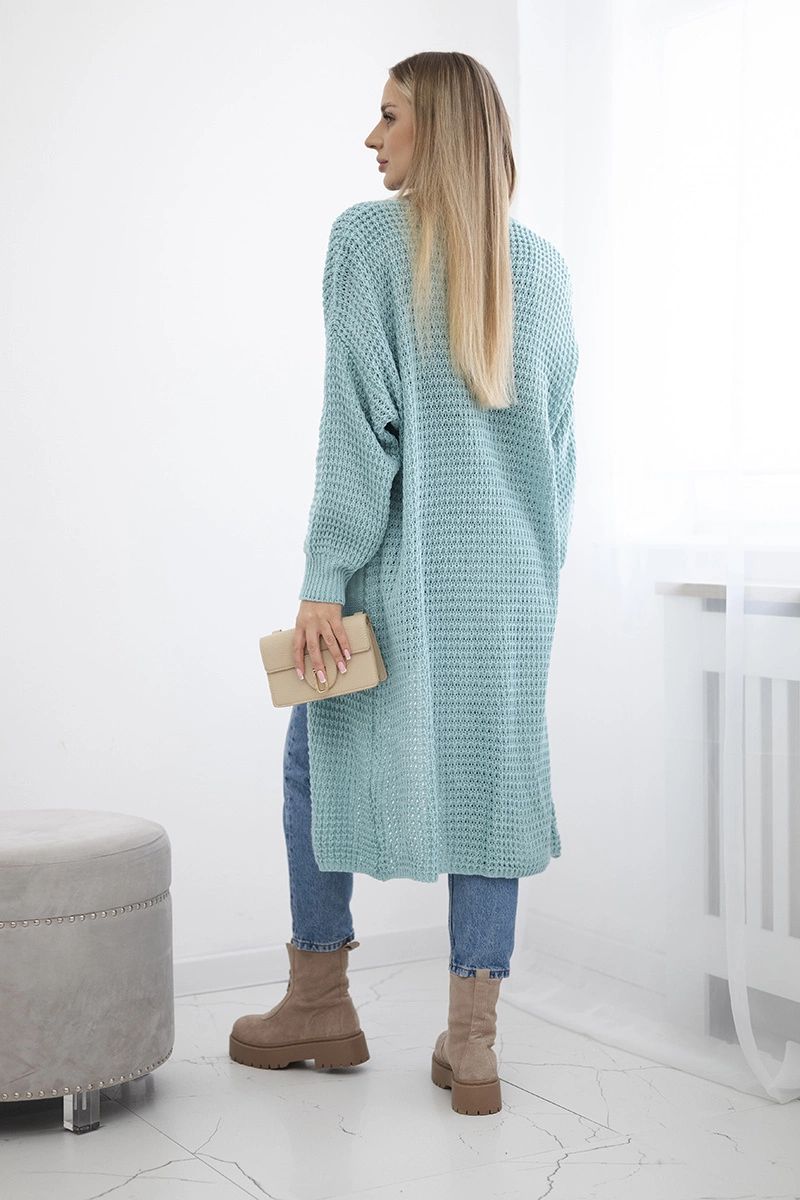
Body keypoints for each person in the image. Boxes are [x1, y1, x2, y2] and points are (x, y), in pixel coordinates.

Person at [230, 51, 579, 1118]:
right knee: (489, 789)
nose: (371, 137)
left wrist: (321, 580)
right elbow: (561, 457)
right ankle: (472, 1045)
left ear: (441, 130)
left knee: (313, 758)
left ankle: (317, 1000)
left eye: (389, 116)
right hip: (511, 589)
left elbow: (357, 430)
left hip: (393, 575)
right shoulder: (542, 267)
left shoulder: (369, 242)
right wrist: (534, 581)